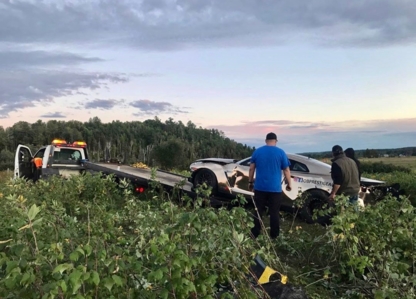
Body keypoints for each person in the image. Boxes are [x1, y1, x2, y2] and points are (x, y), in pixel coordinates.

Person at [248, 132, 292, 239]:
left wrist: (250, 182)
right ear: (276, 141)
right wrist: (289, 184)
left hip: (259, 188)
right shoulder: (281, 152)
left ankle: (255, 233)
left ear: (265, 141)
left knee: (258, 210)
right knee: (274, 213)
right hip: (275, 189)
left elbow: (251, 168)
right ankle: (274, 236)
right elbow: (286, 169)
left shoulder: (257, 151)